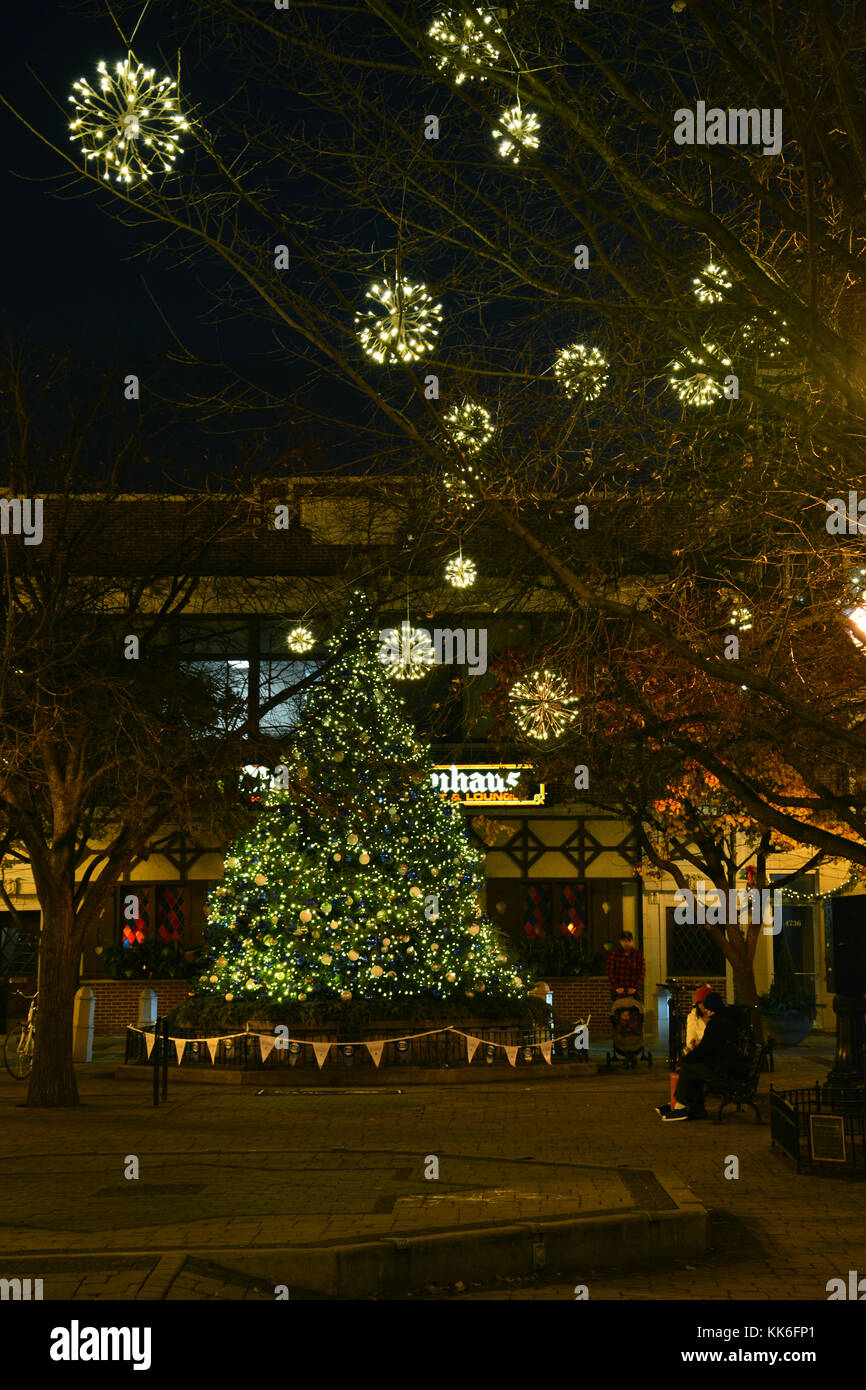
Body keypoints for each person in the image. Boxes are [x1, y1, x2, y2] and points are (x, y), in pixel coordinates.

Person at [656, 992, 739, 1121]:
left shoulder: (716, 1024)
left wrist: (686, 1059)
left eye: (706, 1008)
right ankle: (693, 1107)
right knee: (694, 1070)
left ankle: (679, 1107)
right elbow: (710, 1048)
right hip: (727, 1066)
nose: (705, 1011)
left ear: (711, 1009)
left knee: (688, 1069)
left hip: (721, 1069)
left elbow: (705, 1050)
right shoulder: (726, 1020)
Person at [606, 931, 645, 1001]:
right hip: (617, 992)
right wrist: (616, 987)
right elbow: (610, 972)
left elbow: (641, 973)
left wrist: (635, 987)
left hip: (633, 992)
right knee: (617, 1010)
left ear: (632, 941)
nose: (626, 943)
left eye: (629, 940)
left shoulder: (638, 955)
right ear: (620, 942)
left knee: (635, 1010)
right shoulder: (614, 954)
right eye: (624, 941)